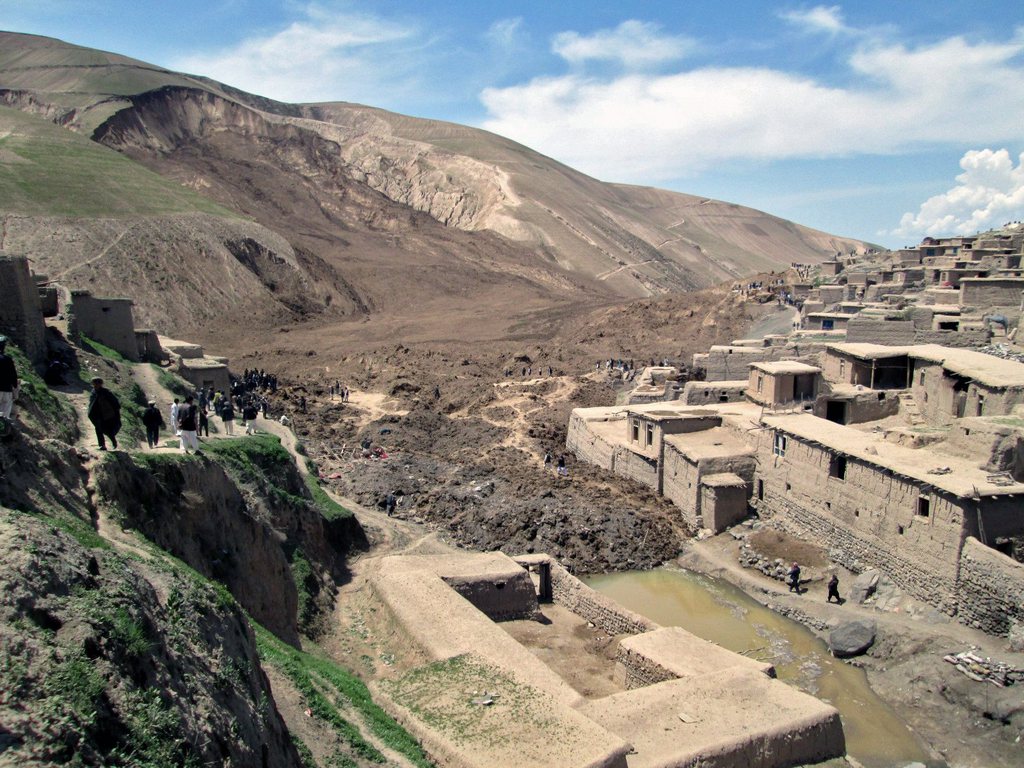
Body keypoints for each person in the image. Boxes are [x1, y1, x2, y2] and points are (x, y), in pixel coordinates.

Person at [87, 377, 121, 451]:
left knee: (107, 430)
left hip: (106, 415)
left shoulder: (106, 392)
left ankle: (113, 441)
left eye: (98, 383)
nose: (96, 385)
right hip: (96, 415)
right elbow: (91, 403)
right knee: (98, 428)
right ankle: (102, 445)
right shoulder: (93, 392)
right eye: (94, 383)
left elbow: (115, 403)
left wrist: (115, 413)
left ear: (101, 384)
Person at [0, 336, 18, 420]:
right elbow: (13, 375)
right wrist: (15, 386)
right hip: (7, 390)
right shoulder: (8, 360)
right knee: (5, 415)